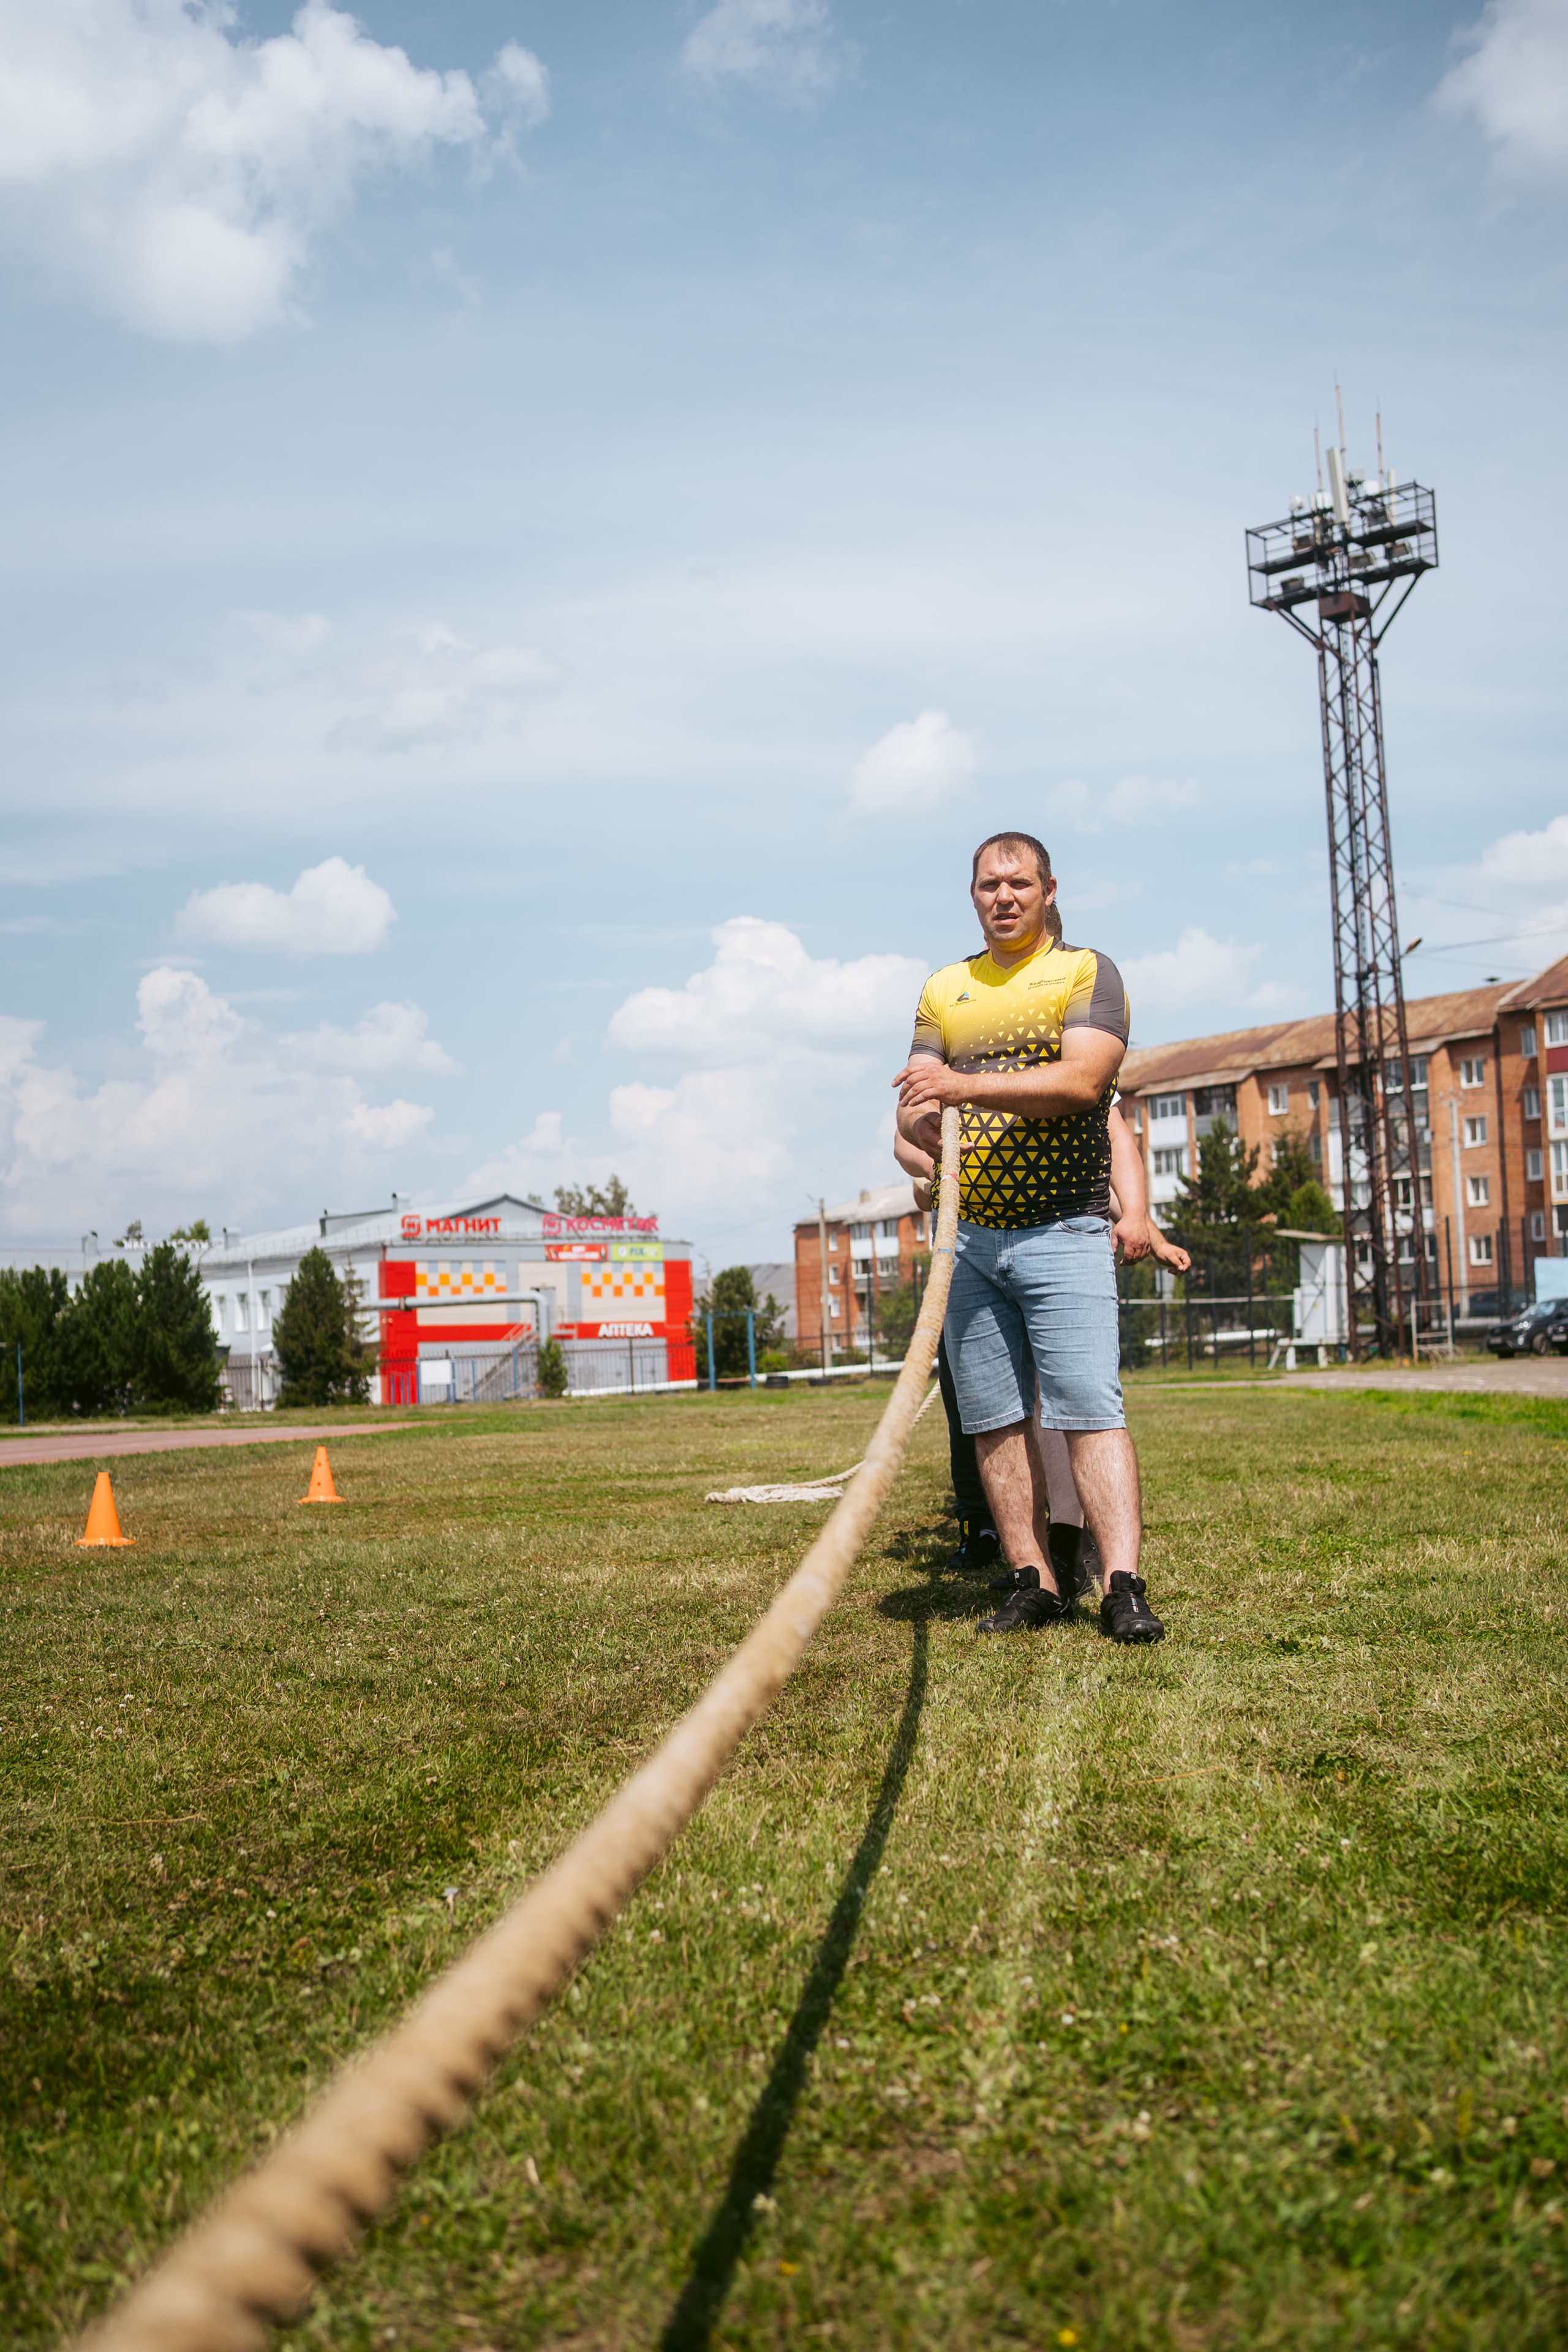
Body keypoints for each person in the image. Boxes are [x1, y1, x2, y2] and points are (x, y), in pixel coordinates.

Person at [892, 830, 1165, 1642]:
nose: (1002, 897)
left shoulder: (1084, 973)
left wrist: (962, 1087)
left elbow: (1083, 1083)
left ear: (1050, 890)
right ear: (972, 896)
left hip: (1066, 1230)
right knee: (995, 1421)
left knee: (1089, 1407)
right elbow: (912, 1114)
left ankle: (1122, 1586)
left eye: (1018, 883)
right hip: (969, 1244)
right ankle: (1031, 1580)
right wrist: (923, 1137)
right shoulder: (945, 988)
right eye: (987, 886)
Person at [895, 1102, 1189, 1596]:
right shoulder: (944, 1052)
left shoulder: (1063, 1046)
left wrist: (1145, 1226)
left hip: (1060, 1237)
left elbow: (1106, 1145)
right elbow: (906, 1139)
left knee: (1067, 1405)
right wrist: (940, 1170)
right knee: (993, 1411)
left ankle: (1069, 1540)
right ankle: (1019, 1553)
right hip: (975, 1248)